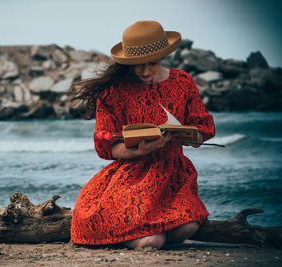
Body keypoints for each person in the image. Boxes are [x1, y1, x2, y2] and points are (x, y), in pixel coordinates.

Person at [68, 20, 216, 249]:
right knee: (152, 241)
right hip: (132, 175)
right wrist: (141, 149)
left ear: (162, 56)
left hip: (173, 175)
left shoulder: (182, 82)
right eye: (137, 65)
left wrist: (190, 136)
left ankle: (136, 236)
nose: (145, 71)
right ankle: (140, 237)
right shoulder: (114, 90)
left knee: (189, 227)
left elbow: (203, 130)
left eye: (152, 63)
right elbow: (106, 147)